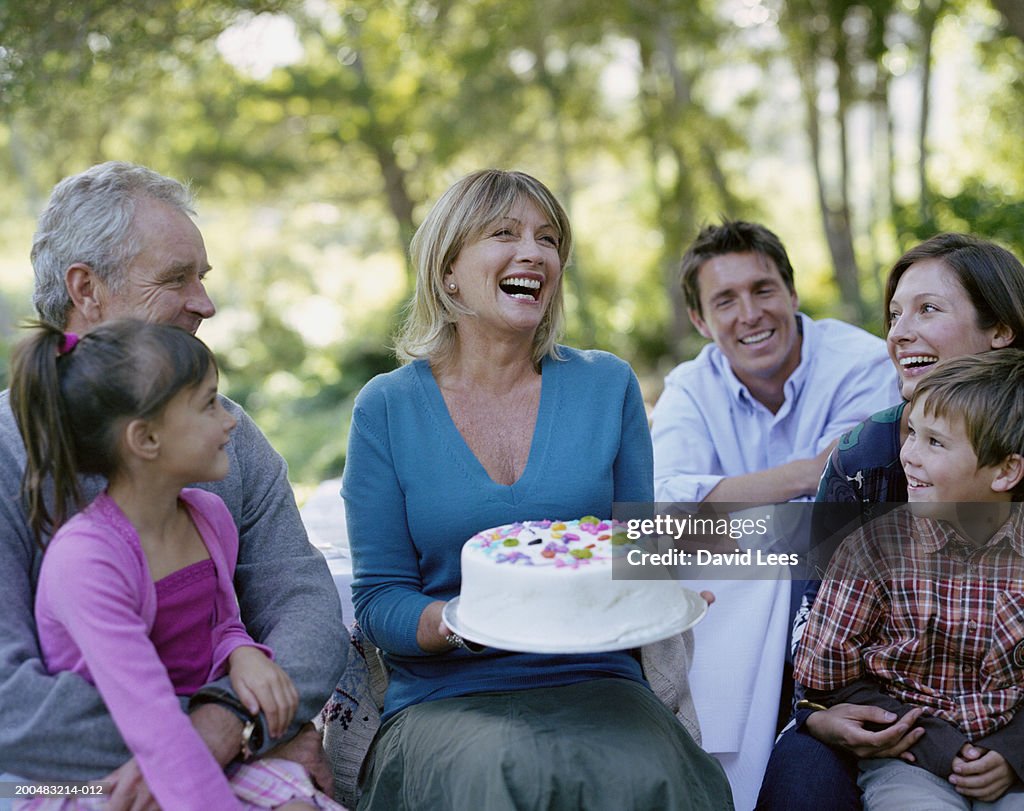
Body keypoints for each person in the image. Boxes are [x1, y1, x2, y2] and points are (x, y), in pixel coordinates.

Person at [341, 169, 734, 810]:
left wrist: (663, 580)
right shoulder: (386, 407)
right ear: (447, 271)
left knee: (648, 772)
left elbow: (632, 552)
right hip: (446, 696)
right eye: (505, 233)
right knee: (497, 774)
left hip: (599, 680)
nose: (534, 252)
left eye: (548, 239)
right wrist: (471, 622)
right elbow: (380, 601)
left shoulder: (608, 386)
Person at [0, 162, 346, 805]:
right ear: (87, 288)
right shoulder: (3, 452)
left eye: (203, 279)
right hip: (57, 776)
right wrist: (222, 729)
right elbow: (8, 704)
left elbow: (306, 608)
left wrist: (231, 724)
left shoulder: (227, 440)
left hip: (228, 744)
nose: (205, 303)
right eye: (175, 279)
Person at [757, 233, 1024, 811]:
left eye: (928, 309)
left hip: (1012, 729)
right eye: (894, 313)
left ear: (1000, 330)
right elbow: (815, 623)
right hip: (886, 715)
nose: (899, 332)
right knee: (801, 774)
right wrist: (820, 713)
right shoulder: (863, 458)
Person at [650, 219, 900, 810]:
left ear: (791, 293)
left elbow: (853, 509)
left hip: (842, 603)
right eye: (724, 301)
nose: (750, 314)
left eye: (763, 290)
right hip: (736, 608)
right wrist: (805, 473)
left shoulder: (862, 364)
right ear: (700, 322)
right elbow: (658, 507)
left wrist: (722, 505)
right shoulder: (689, 387)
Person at [793, 350, 1024, 809]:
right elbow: (827, 679)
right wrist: (933, 742)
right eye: (912, 433)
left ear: (1006, 471)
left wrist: (1014, 752)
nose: (910, 456)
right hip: (908, 757)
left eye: (935, 442)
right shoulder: (871, 550)